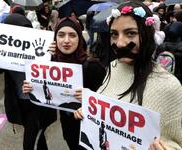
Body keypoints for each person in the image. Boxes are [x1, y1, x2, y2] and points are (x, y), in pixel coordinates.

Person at [76, 1, 182, 149]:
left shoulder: (170, 86)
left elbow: (177, 143)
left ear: (148, 33)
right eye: (114, 34)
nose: (119, 43)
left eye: (130, 33)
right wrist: (90, 113)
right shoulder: (113, 67)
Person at [22, 17, 106, 150]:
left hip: (92, 133)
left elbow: (110, 101)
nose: (66, 40)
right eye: (61, 35)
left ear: (79, 38)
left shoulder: (93, 67)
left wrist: (90, 99)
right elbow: (47, 98)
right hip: (68, 128)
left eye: (72, 35)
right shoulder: (52, 65)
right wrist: (32, 88)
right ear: (55, 39)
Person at [0, 7, 57, 150]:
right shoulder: (5, 52)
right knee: (38, 139)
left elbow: (59, 71)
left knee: (30, 141)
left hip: (39, 102)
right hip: (20, 103)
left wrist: (54, 53)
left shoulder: (41, 47)